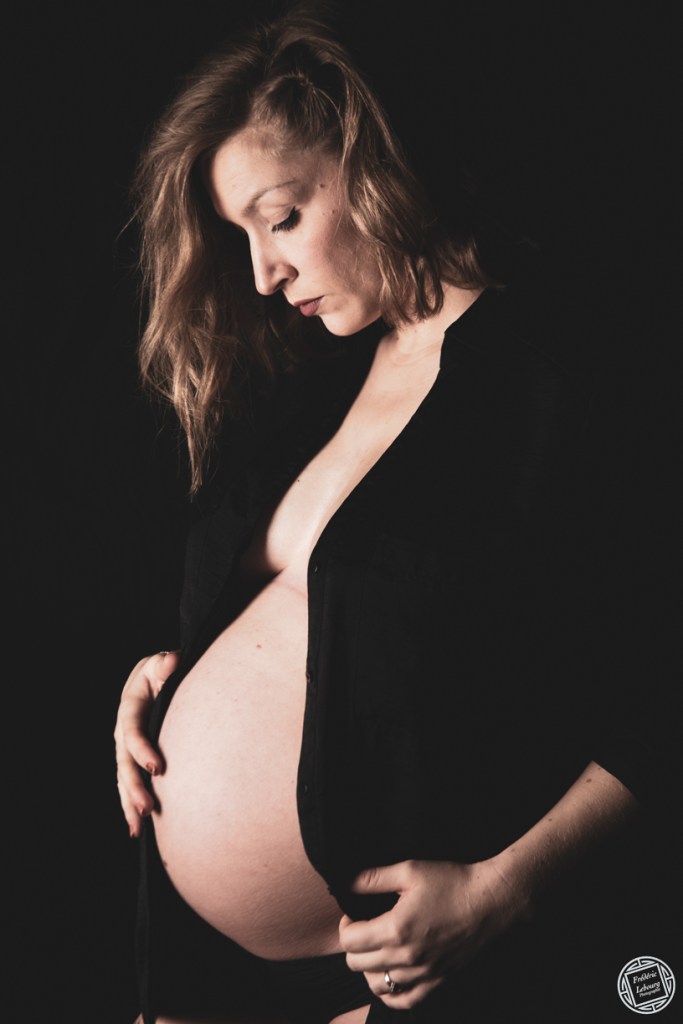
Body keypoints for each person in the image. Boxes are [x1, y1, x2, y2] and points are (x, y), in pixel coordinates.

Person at [113, 5, 667, 1023]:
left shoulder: (557, 378)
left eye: (282, 218)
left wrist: (504, 890)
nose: (262, 273)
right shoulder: (308, 388)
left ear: (373, 163)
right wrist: (165, 680)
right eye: (242, 235)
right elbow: (310, 623)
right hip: (206, 977)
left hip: (423, 980)